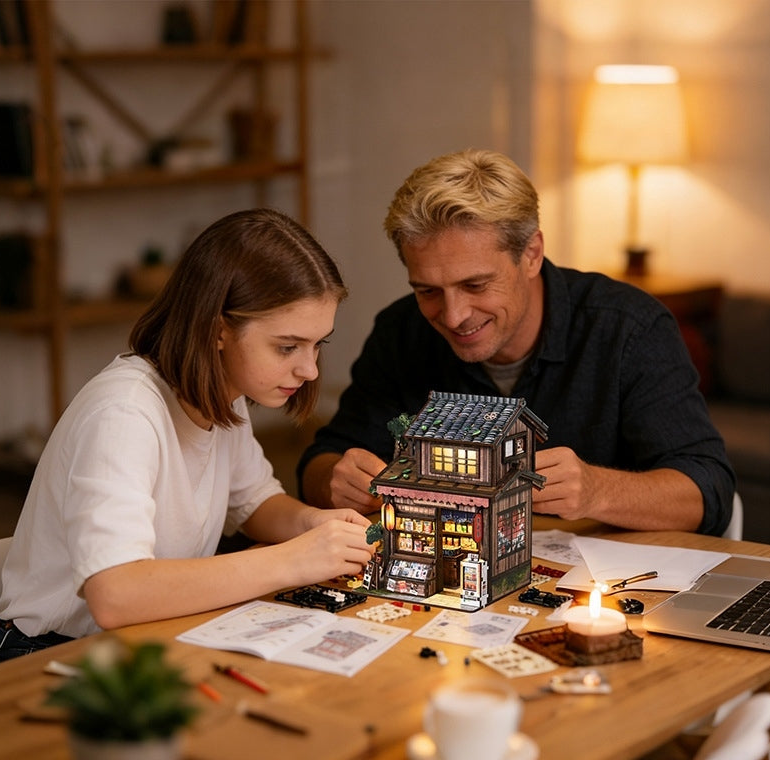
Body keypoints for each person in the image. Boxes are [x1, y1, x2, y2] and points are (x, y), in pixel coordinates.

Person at [0, 208, 375, 668]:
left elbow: (254, 503)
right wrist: (296, 560)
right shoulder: (124, 413)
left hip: (142, 643)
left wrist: (315, 525)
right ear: (217, 330)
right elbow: (115, 594)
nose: (309, 370)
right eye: (287, 347)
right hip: (44, 659)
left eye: (316, 345)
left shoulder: (224, 396)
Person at [298, 149, 735, 536]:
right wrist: (336, 480)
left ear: (531, 254)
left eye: (476, 284)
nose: (453, 317)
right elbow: (323, 461)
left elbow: (709, 491)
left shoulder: (629, 328)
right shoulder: (401, 331)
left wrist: (598, 491)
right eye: (428, 290)